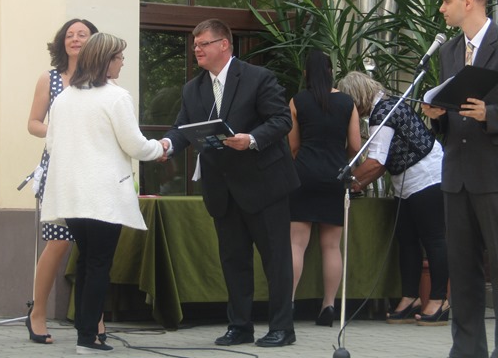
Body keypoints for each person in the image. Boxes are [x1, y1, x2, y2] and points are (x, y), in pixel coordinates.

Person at [159, 18, 300, 348]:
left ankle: (282, 328)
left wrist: (251, 139)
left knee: (276, 260)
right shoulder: (193, 89)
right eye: (195, 45)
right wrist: (165, 145)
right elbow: (181, 129)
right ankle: (240, 326)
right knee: (234, 261)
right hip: (222, 190)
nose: (197, 49)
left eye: (203, 44)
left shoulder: (258, 77)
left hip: (264, 186)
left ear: (224, 44)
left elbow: (281, 120)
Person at [40, 32, 166, 354]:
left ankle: (87, 334)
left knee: (86, 262)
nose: (122, 62)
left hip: (71, 196)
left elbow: (51, 144)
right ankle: (87, 338)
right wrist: (161, 147)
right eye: (119, 57)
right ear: (106, 61)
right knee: (98, 264)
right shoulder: (116, 97)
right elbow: (135, 145)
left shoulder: (63, 98)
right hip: (103, 197)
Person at [422, 0, 498, 358]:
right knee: (463, 270)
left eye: (446, 1)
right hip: (456, 175)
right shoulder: (449, 50)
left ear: (469, 2)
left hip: (493, 175)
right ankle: (467, 351)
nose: (441, 8)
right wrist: (436, 115)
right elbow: (451, 114)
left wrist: (490, 115)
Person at [338, 71, 449, 326]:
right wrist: (357, 182)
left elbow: (376, 163)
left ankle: (440, 300)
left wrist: (347, 182)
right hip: (406, 182)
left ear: (356, 99)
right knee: (407, 241)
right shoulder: (387, 106)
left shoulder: (383, 113)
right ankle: (410, 298)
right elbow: (381, 162)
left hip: (427, 176)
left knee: (434, 240)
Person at [26, 18, 107, 345]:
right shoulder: (50, 79)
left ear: (94, 41)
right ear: (62, 42)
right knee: (58, 242)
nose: (75, 39)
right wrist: (61, 130)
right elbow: (33, 123)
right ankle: (37, 313)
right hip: (59, 169)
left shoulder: (103, 81)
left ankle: (94, 320)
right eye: (70, 35)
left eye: (82, 34)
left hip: (94, 171)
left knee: (95, 249)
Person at [288, 50, 361, 327]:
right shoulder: (347, 102)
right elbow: (355, 146)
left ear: (306, 73)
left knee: (296, 244)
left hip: (304, 174)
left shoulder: (297, 101)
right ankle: (328, 306)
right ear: (331, 72)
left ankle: (288, 304)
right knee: (331, 246)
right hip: (335, 176)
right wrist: (339, 159)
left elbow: (293, 145)